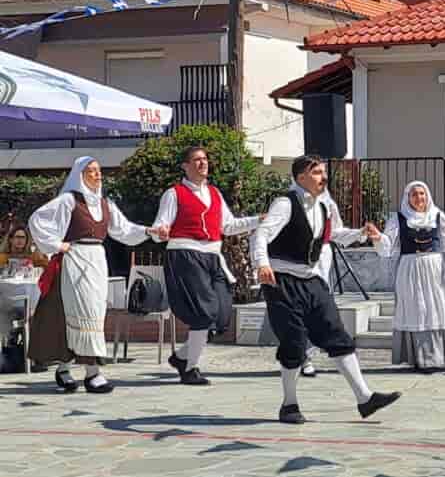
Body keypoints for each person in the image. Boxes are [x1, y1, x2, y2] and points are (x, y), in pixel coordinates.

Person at [252, 155, 400, 424]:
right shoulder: (286, 203)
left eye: (322, 171)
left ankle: (365, 399)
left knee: (337, 334)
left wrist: (361, 234)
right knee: (294, 342)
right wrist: (262, 264)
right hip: (282, 281)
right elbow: (261, 234)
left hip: (311, 280)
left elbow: (333, 236)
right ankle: (289, 404)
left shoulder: (322, 206)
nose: (323, 177)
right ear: (300, 178)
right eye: (317, 172)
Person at [28, 157, 167, 393]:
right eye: (91, 171)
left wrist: (149, 231)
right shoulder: (69, 201)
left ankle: (64, 368)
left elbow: (124, 230)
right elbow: (37, 219)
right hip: (75, 259)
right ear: (79, 175)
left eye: (99, 171)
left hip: (97, 261)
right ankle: (93, 373)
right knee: (82, 313)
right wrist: (57, 245)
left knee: (92, 313)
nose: (97, 175)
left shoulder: (105, 204)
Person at [152, 145, 260, 386]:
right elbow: (161, 226)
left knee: (221, 315)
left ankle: (181, 357)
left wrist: (258, 220)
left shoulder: (214, 193)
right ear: (185, 166)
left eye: (205, 159)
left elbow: (228, 226)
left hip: (213, 255)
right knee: (204, 314)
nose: (203, 163)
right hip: (186, 254)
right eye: (197, 160)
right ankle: (190, 368)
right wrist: (161, 232)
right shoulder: (174, 194)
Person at [364, 181, 445, 371]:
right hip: (410, 268)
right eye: (414, 194)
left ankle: (434, 358)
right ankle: (417, 357)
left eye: (422, 194)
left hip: (434, 268)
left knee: (434, 309)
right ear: (407, 198)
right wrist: (377, 237)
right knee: (414, 308)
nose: (419, 198)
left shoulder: (438, 216)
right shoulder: (398, 219)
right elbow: (388, 245)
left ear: (427, 196)